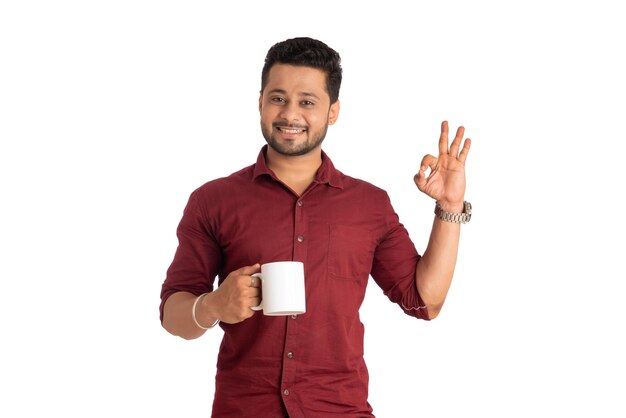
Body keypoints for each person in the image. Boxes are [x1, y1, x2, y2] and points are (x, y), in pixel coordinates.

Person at [160, 37, 472, 417]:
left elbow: (425, 302)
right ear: (260, 101)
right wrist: (212, 305)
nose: (290, 114)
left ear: (333, 111)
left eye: (307, 102)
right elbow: (173, 315)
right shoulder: (213, 201)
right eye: (278, 98)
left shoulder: (369, 205)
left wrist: (449, 206)